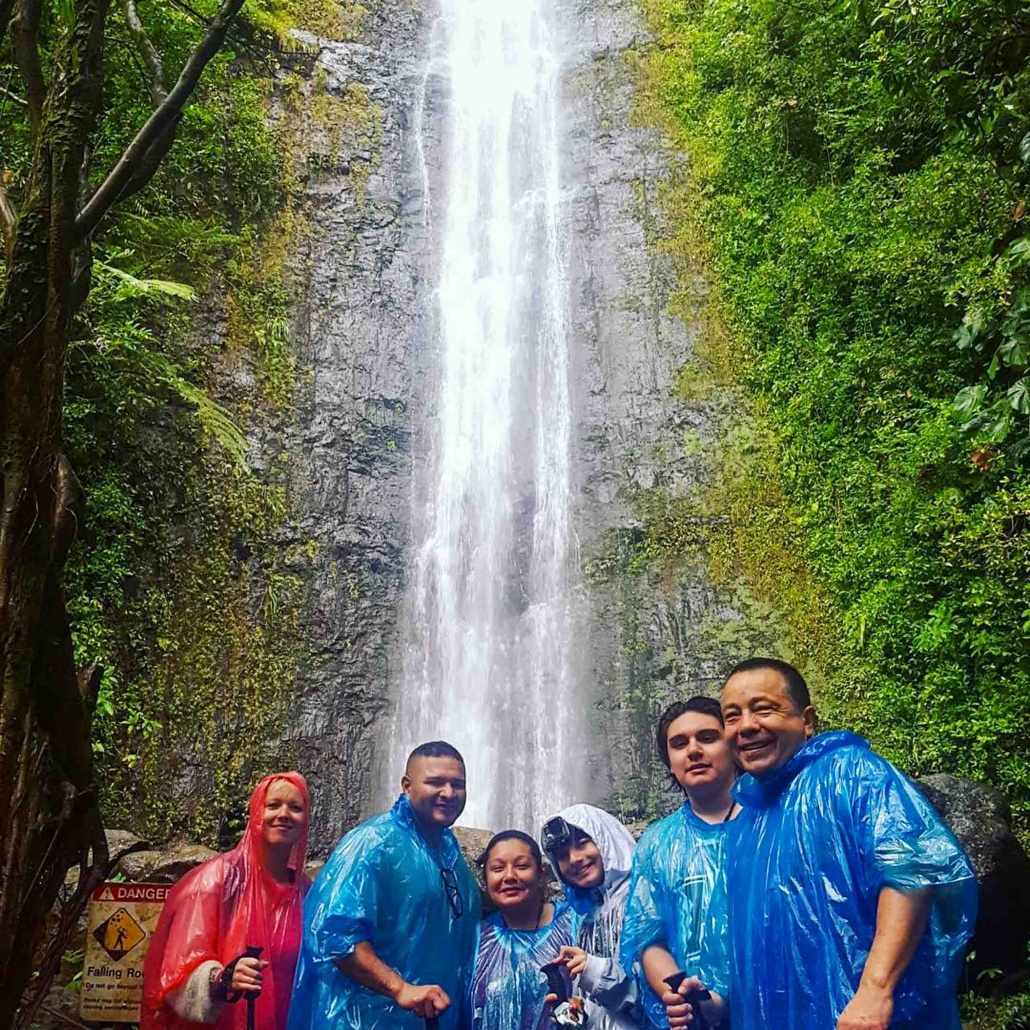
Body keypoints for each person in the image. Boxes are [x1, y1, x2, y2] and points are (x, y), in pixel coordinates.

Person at [721, 657, 977, 1030]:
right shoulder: (746, 822)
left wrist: (876, 989)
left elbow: (911, 871)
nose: (746, 726)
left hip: (867, 1018)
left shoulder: (852, 773)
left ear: (806, 721)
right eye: (732, 716)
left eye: (763, 709)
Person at [288, 741, 479, 1028]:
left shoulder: (449, 854)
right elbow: (336, 935)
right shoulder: (373, 843)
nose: (449, 793)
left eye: (457, 784)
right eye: (435, 782)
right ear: (406, 785)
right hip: (364, 1020)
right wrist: (399, 988)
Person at [142, 772, 311, 1029]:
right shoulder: (216, 880)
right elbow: (175, 973)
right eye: (273, 805)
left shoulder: (305, 892)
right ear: (256, 814)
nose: (284, 814)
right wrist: (222, 979)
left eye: (295, 807)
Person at [620, 697, 737, 1029]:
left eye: (708, 737)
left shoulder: (769, 821)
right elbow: (648, 940)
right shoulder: (657, 843)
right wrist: (685, 994)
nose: (694, 750)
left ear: (732, 745)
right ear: (670, 763)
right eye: (679, 743)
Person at [540, 805, 645, 1029]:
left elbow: (655, 997)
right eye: (562, 855)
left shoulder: (642, 900)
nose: (575, 859)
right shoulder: (586, 918)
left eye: (582, 843)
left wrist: (595, 971)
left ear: (606, 839)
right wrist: (573, 1014)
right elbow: (594, 1001)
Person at [471, 830, 576, 1029]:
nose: (509, 876)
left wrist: (575, 1015)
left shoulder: (572, 923)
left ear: (540, 874)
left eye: (521, 866)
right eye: (498, 868)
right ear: (485, 880)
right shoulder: (477, 940)